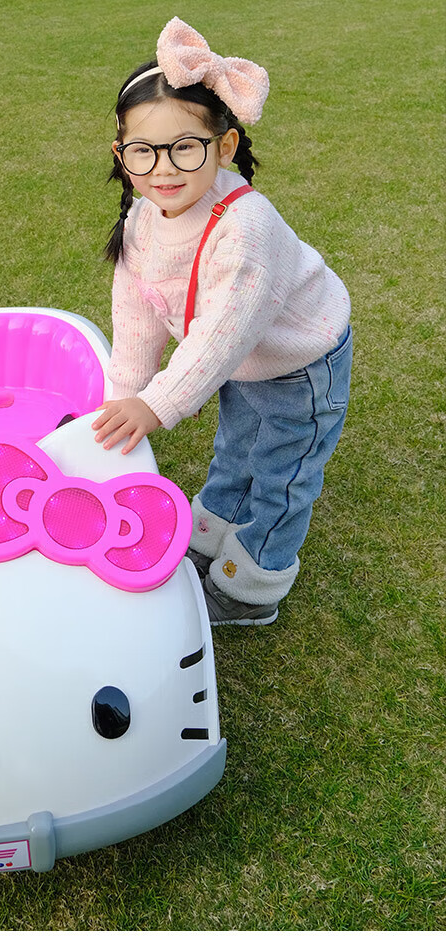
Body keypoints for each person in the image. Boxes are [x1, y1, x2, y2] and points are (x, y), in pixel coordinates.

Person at [91, 17, 352, 625]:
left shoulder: (245, 227)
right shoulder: (143, 218)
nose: (163, 168)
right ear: (121, 155)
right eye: (143, 151)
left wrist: (157, 405)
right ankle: (210, 532)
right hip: (241, 363)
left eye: (185, 146)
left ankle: (250, 588)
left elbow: (222, 335)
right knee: (236, 446)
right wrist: (123, 397)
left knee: (283, 475)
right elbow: (136, 314)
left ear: (225, 145)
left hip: (299, 363)